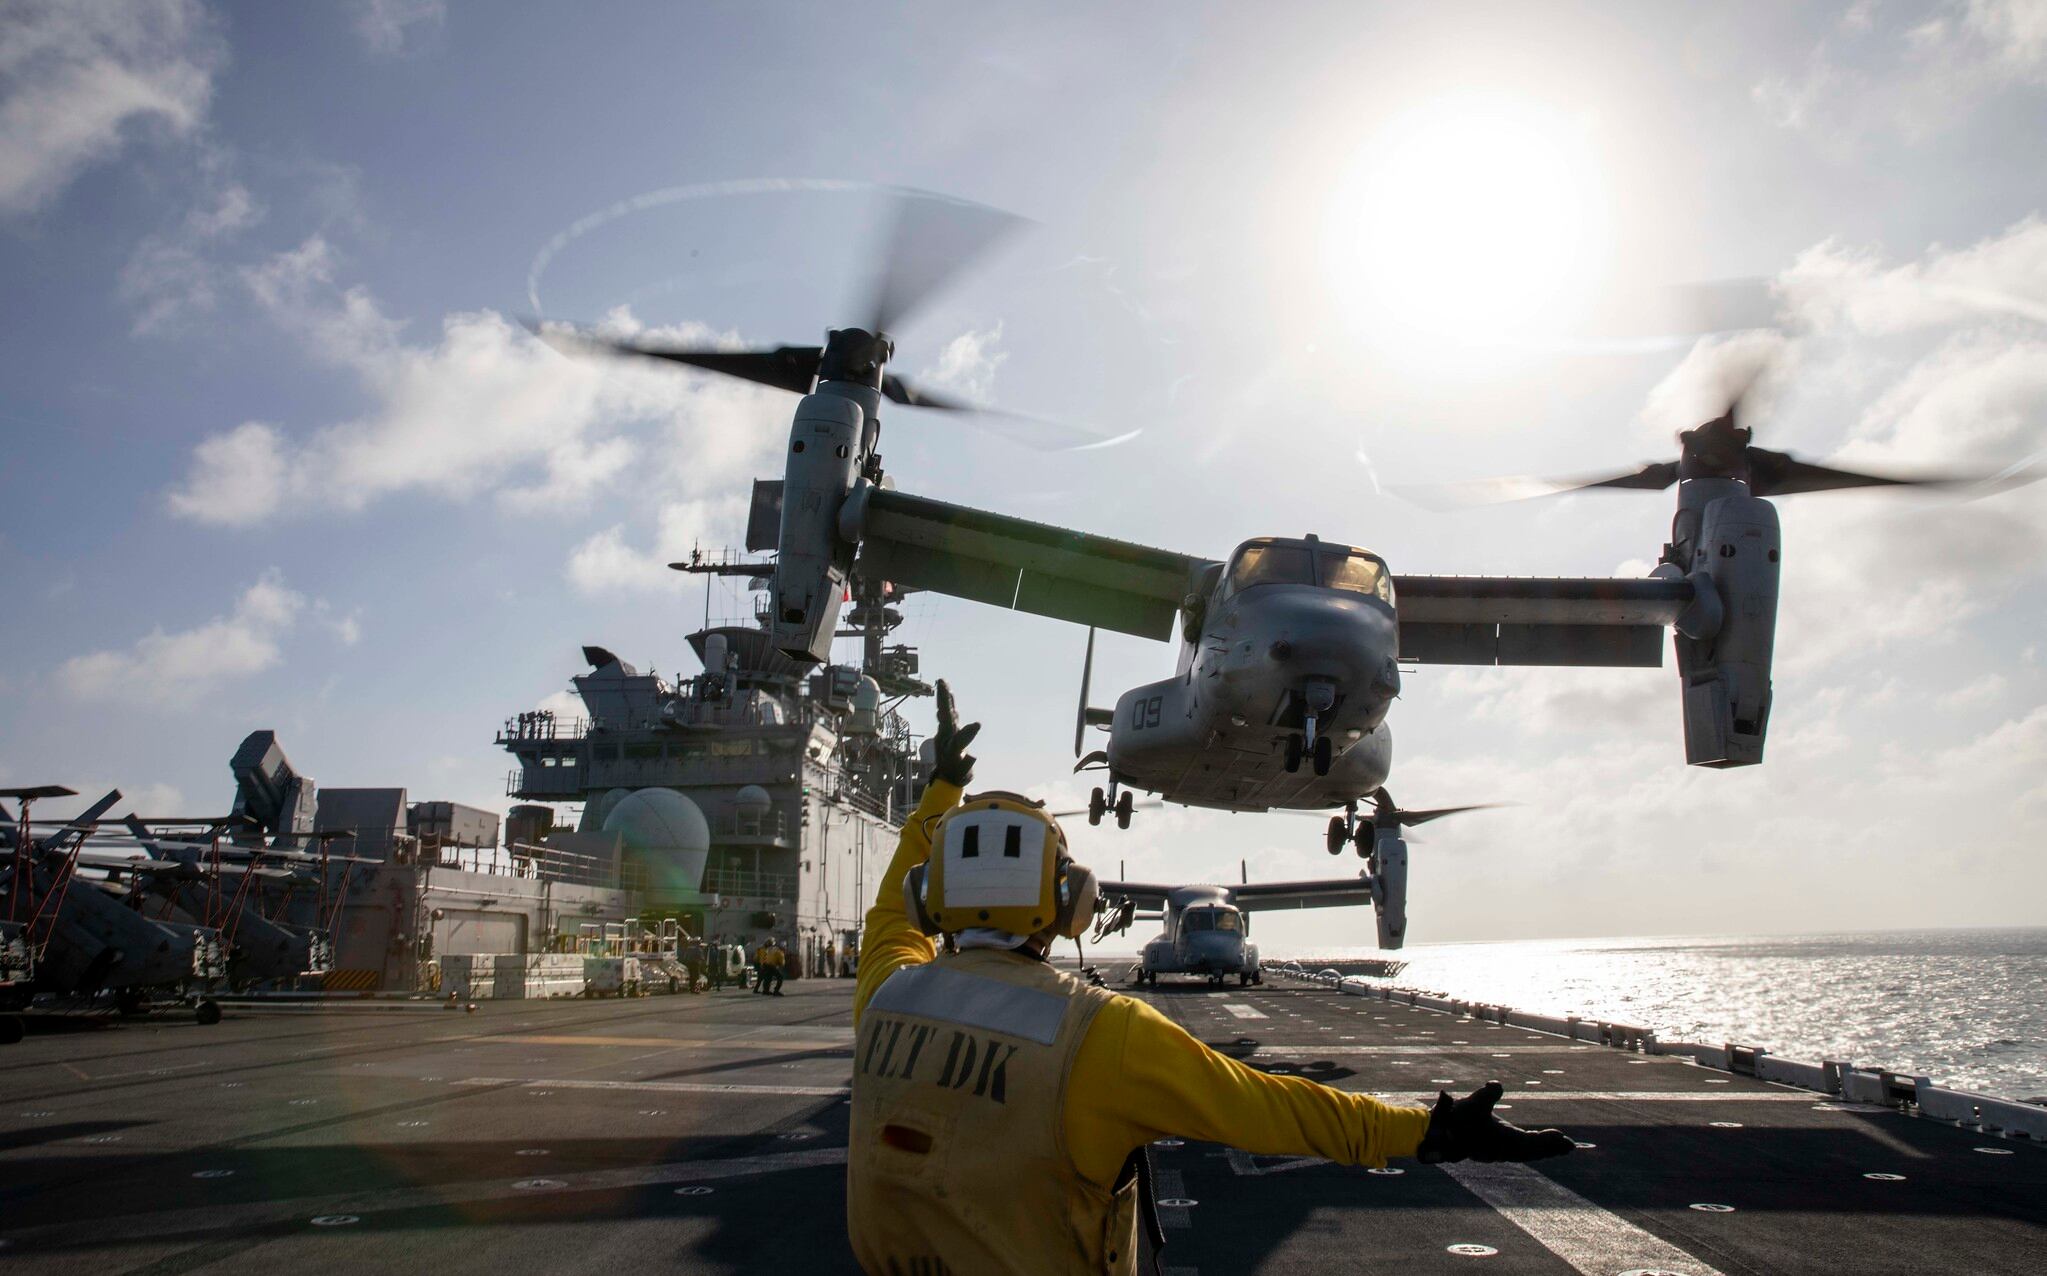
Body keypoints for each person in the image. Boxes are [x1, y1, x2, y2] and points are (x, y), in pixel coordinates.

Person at [847, 683, 1572, 1276]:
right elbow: (1277, 1109)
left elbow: (888, 913)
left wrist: (938, 794)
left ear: (928, 895)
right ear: (1070, 903)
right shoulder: (1100, 1033)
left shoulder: (886, 996)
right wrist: (1432, 1130)